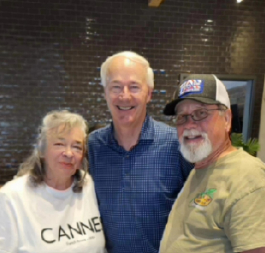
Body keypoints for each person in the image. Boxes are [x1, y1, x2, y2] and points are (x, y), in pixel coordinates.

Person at [88, 51, 193, 253]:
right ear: (105, 92)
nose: (124, 95)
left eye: (134, 87)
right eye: (116, 87)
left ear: (149, 94)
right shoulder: (93, 145)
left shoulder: (176, 144)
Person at [160, 74, 265, 253]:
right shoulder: (202, 167)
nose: (189, 125)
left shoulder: (248, 177)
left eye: (201, 113)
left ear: (227, 119)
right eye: (182, 116)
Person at [0, 110, 106, 253]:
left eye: (76, 147)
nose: (68, 153)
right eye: (59, 144)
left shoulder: (88, 184)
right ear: (42, 151)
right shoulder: (11, 197)